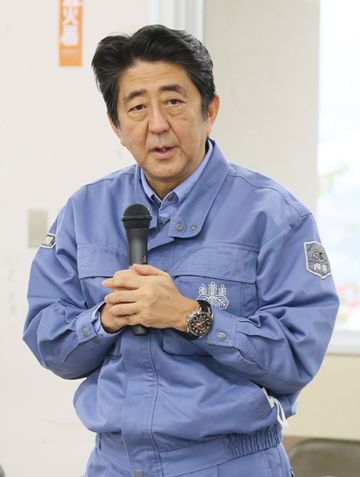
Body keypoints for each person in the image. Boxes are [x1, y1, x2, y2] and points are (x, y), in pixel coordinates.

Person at [23, 24, 339, 477]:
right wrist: (106, 317)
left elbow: (295, 357)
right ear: (116, 125)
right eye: (136, 107)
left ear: (209, 109)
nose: (157, 124)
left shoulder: (275, 215)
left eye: (173, 101)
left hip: (231, 463)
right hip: (115, 465)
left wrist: (190, 315)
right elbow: (48, 340)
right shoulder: (85, 210)